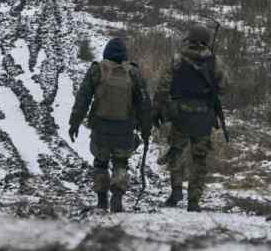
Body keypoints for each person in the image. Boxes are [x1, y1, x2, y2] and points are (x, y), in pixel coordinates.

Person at [69, 38, 152, 212]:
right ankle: (117, 196)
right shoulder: (133, 73)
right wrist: (146, 128)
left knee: (100, 162)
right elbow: (144, 103)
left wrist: (74, 123)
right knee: (121, 163)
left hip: (101, 127)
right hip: (125, 127)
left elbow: (82, 98)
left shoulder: (96, 70)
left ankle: (101, 200)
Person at [152, 24, 227, 212]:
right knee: (200, 159)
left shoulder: (177, 60)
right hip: (204, 117)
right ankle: (194, 201)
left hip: (181, 115)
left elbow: (163, 87)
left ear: (190, 39)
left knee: (176, 152)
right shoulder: (215, 61)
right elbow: (223, 87)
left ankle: (176, 190)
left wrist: (157, 109)